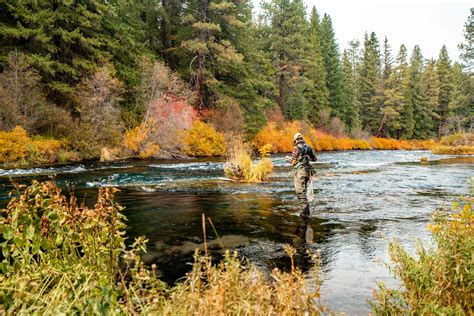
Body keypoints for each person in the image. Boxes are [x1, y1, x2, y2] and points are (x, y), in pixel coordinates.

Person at [288, 133, 317, 220]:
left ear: (296, 140)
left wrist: (289, 159)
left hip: (300, 172)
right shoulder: (308, 147)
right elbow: (315, 159)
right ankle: (307, 213)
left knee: (300, 193)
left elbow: (293, 162)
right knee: (304, 192)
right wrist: (306, 156)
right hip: (308, 172)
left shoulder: (296, 148)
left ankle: (303, 215)